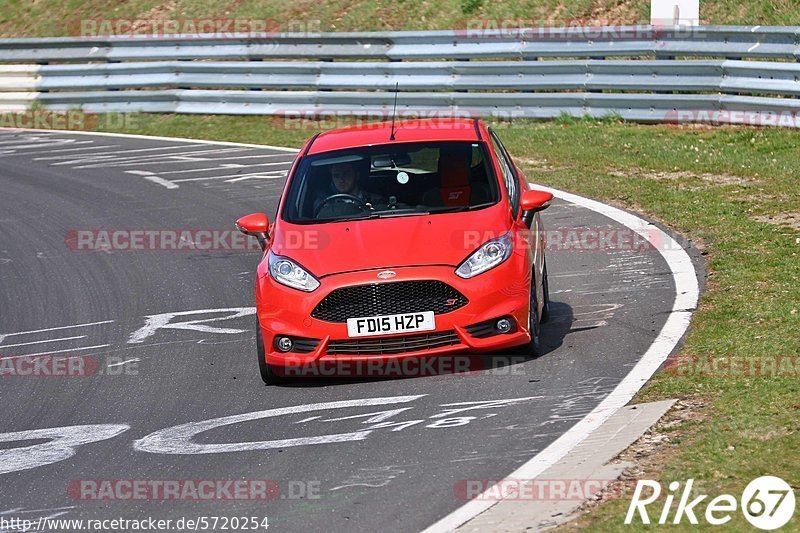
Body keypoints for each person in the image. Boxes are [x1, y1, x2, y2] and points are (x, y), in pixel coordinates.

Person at [315, 162, 384, 218]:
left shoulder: (376, 200)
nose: (341, 180)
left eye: (346, 174)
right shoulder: (325, 204)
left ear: (357, 175)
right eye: (336, 176)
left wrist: (373, 212)